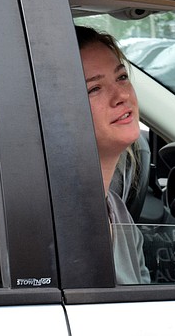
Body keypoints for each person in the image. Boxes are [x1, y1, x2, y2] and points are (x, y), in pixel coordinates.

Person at [75, 25, 151, 285]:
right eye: (94, 89)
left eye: (121, 77)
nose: (121, 95)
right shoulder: (61, 221)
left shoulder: (117, 210)